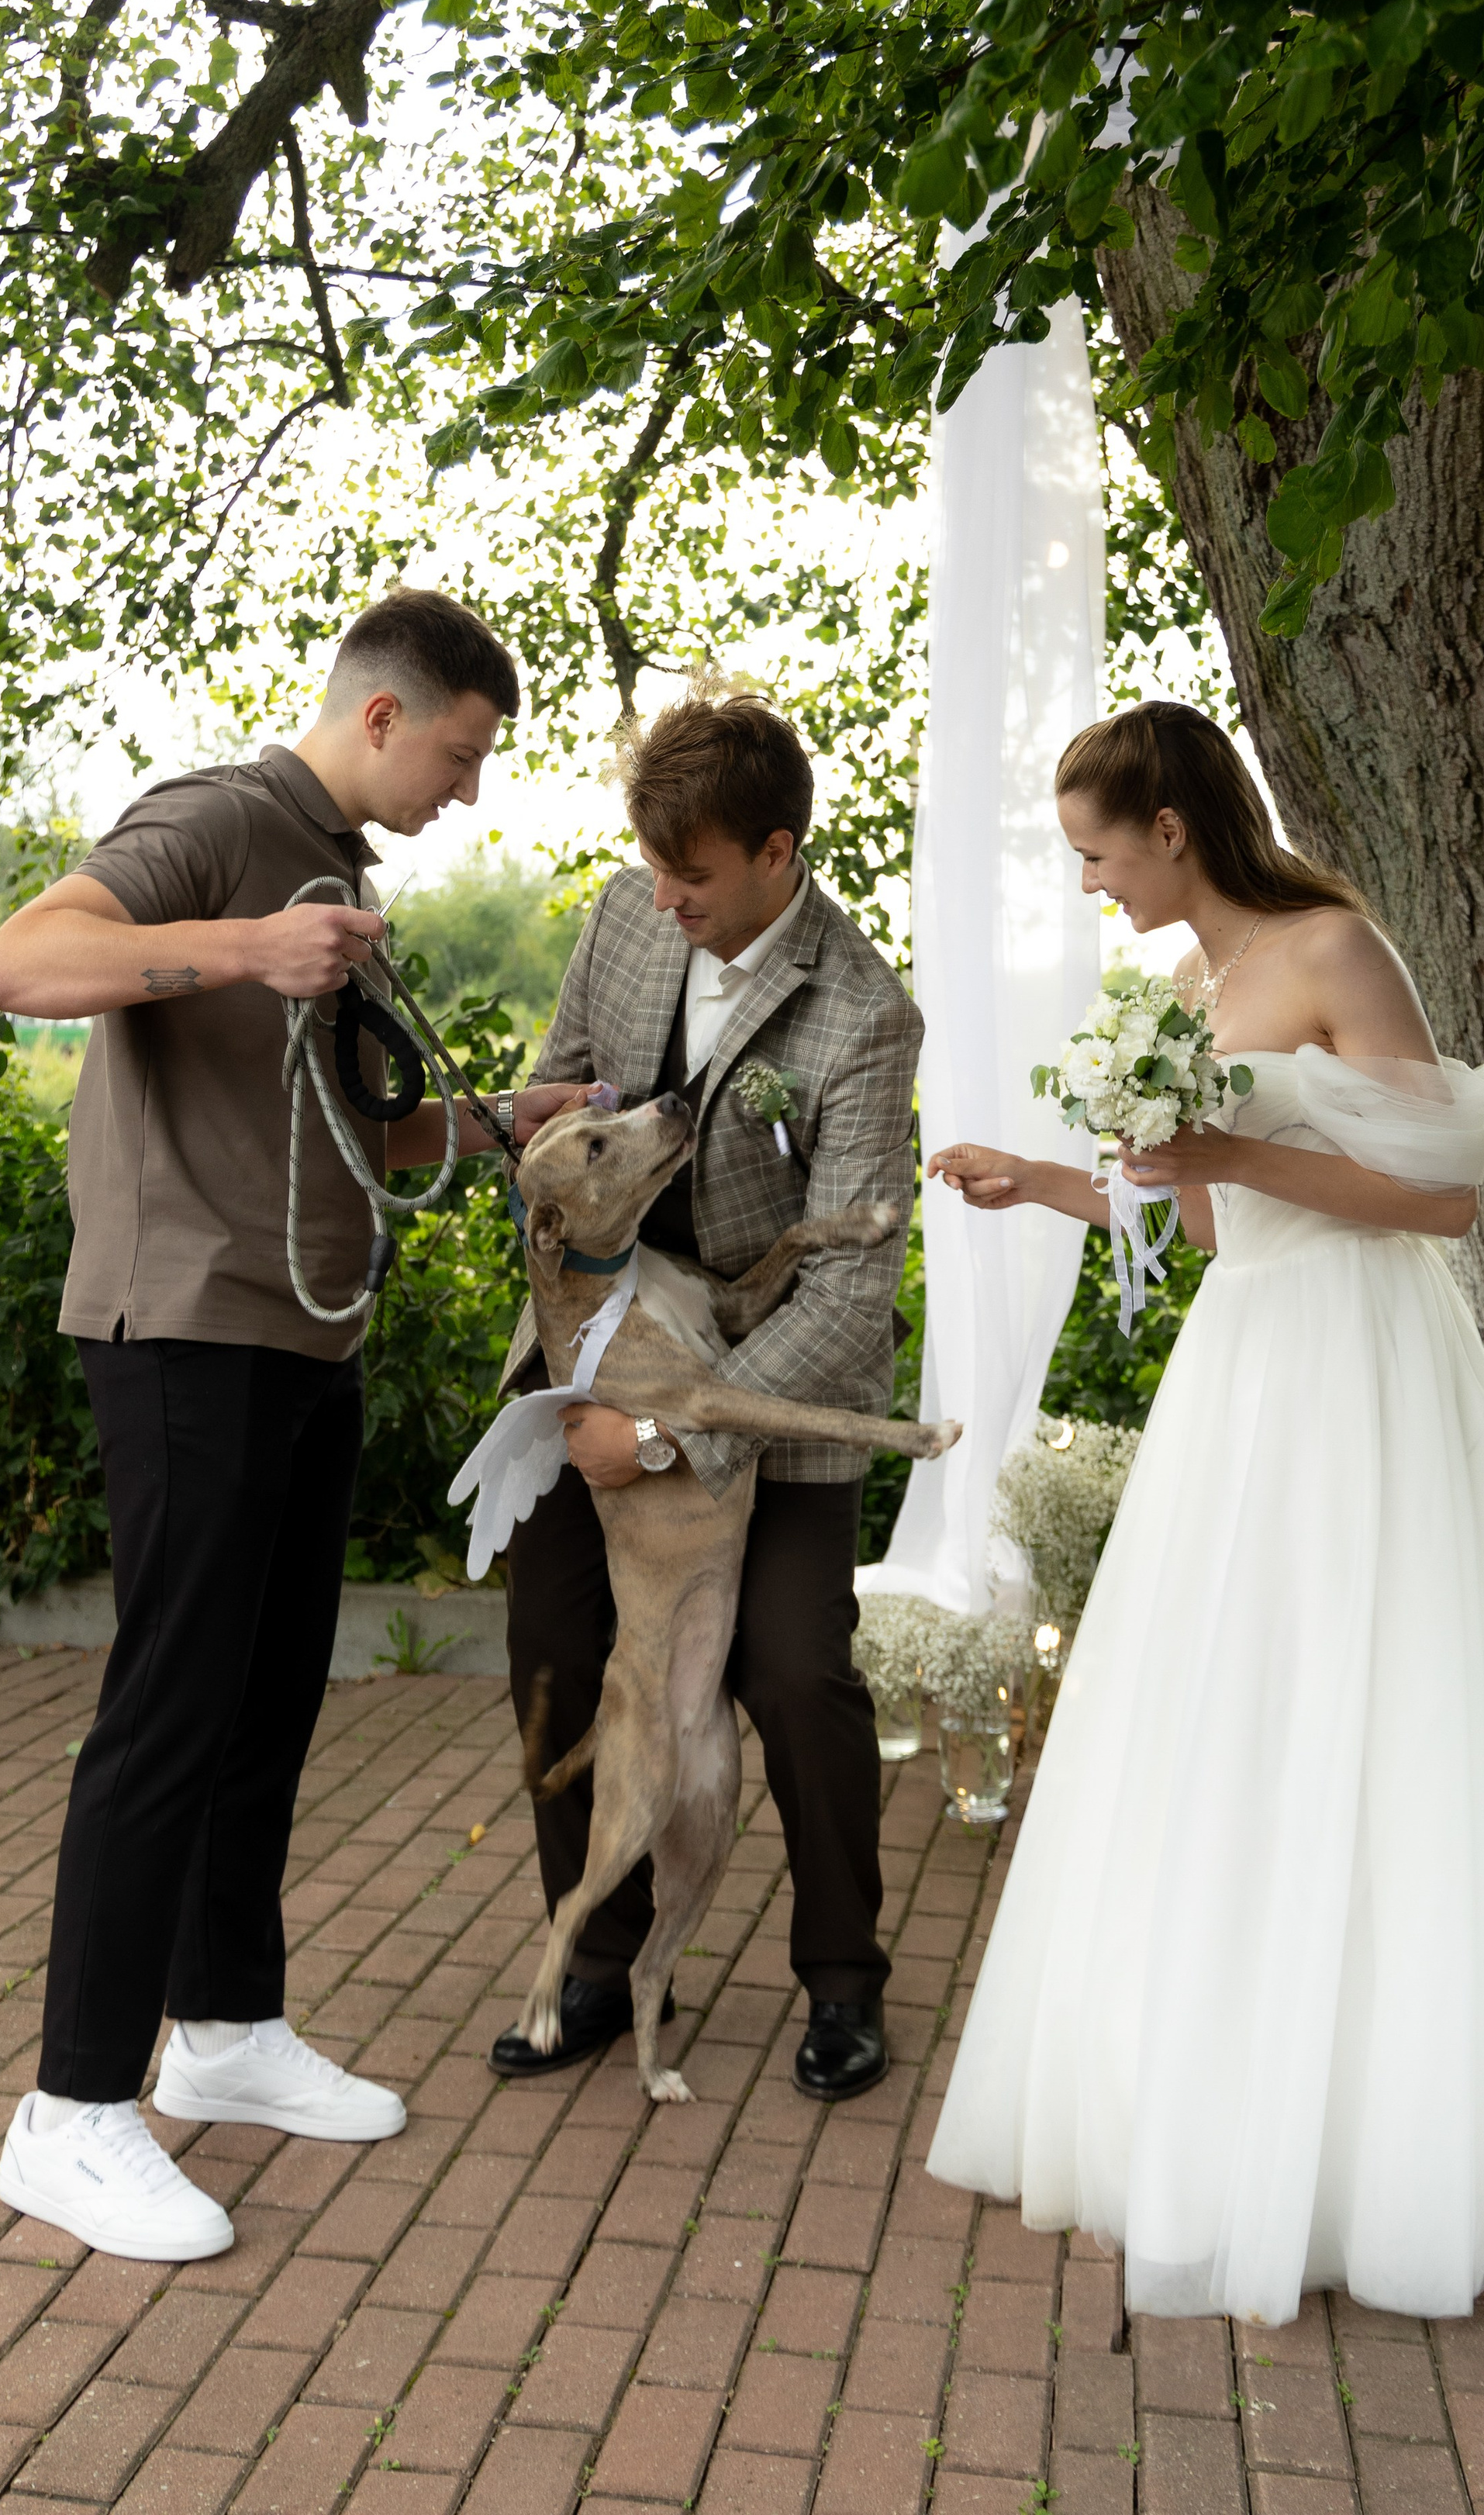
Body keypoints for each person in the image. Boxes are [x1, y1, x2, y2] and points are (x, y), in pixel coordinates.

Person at [922, 700, 1484, 2321]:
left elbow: (1437, 1191)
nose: (1087, 878)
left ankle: (1431, 2143)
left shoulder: (1330, 950)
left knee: (1398, 1709)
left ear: (1169, 824)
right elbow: (1218, 1227)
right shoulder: (1183, 989)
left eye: (1095, 848)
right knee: (1231, 1715)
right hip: (1244, 1371)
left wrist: (1231, 1141)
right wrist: (1057, 1185)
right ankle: (1230, 2117)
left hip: (1364, 1371)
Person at [0, 589, 588, 2261]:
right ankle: (72, 2112)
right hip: (182, 1329)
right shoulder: (218, 821)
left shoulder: (342, 877)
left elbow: (353, 1135)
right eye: (459, 754)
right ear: (381, 715)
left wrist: (494, 1120)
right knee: (166, 1714)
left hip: (301, 1339)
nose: (467, 790)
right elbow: (17, 958)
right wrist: (244, 945)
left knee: (266, 1701)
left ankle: (224, 2032)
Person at [489, 696, 921, 2102]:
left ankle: (843, 1980)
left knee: (794, 1673)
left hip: (765, 1375)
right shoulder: (624, 914)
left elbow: (850, 1296)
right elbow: (555, 1084)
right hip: (593, 1358)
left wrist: (671, 1427)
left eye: (695, 878)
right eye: (652, 870)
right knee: (553, 1641)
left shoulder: (864, 1015)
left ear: (778, 852)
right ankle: (602, 1961)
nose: (662, 901)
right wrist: (549, 1113)